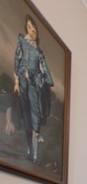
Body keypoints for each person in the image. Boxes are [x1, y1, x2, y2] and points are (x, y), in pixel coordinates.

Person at [13, 14, 53, 163]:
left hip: (34, 89)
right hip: (23, 85)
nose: (32, 30)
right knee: (26, 119)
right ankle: (29, 151)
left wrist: (38, 80)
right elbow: (16, 62)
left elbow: (46, 75)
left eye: (34, 27)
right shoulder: (22, 42)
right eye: (29, 27)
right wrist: (17, 81)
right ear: (26, 29)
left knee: (35, 119)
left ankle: (35, 155)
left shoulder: (39, 53)